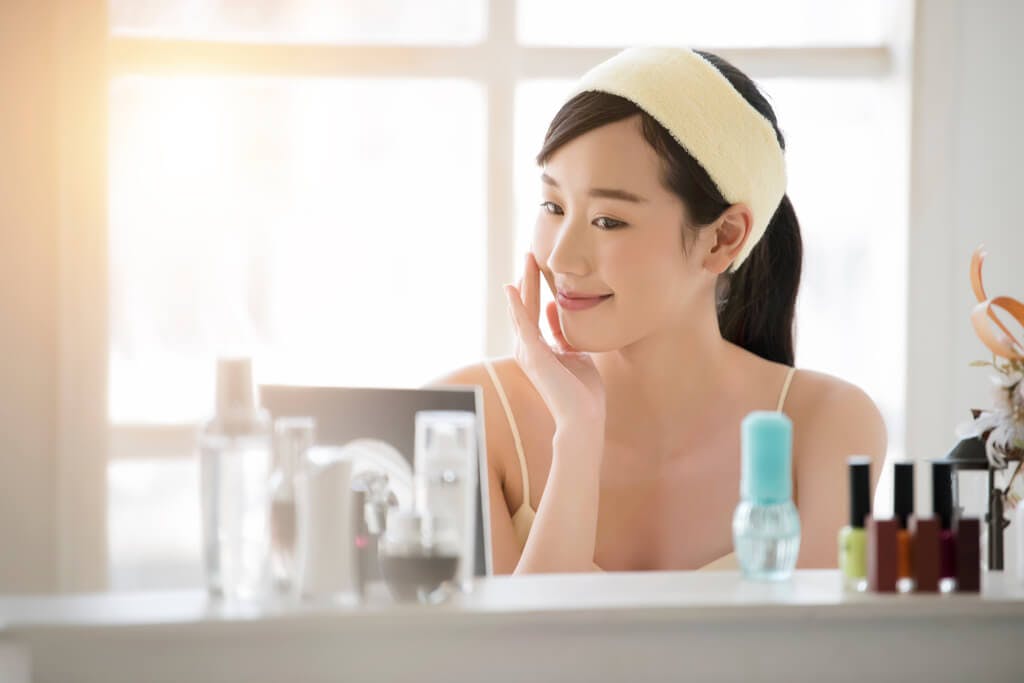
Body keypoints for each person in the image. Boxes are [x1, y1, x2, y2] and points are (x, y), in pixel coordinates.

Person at [431, 47, 886, 574]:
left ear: (723, 238)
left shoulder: (827, 425)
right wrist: (576, 437)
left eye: (608, 221)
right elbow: (516, 657)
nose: (559, 257)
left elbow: (816, 655)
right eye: (554, 207)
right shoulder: (463, 420)